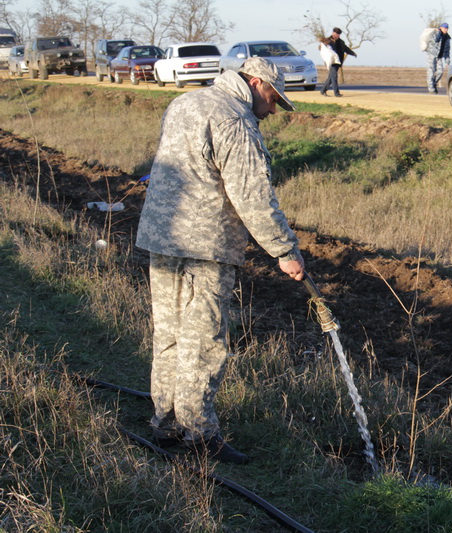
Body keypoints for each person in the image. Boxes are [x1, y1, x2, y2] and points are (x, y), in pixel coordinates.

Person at [135, 57, 305, 465]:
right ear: (255, 82)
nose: (272, 109)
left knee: (170, 334)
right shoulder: (234, 120)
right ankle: (198, 434)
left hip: (162, 237)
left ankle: (165, 423)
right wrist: (284, 250)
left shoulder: (184, 103)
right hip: (204, 246)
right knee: (204, 341)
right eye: (272, 98)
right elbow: (252, 195)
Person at [320, 26, 357, 97]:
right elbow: (321, 49)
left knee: (331, 77)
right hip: (331, 62)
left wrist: (352, 53)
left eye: (339, 34)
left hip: (338, 62)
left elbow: (346, 49)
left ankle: (323, 90)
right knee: (334, 77)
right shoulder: (327, 40)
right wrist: (323, 42)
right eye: (336, 34)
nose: (337, 35)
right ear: (333, 33)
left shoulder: (341, 42)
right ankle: (336, 93)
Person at [426, 22, 451, 94]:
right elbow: (435, 40)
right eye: (444, 28)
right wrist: (438, 33)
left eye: (447, 28)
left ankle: (434, 83)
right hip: (431, 55)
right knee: (431, 71)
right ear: (441, 27)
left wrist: (447, 60)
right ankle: (431, 90)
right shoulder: (435, 33)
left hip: (440, 56)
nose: (446, 30)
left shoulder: (447, 38)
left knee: (440, 71)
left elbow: (447, 50)